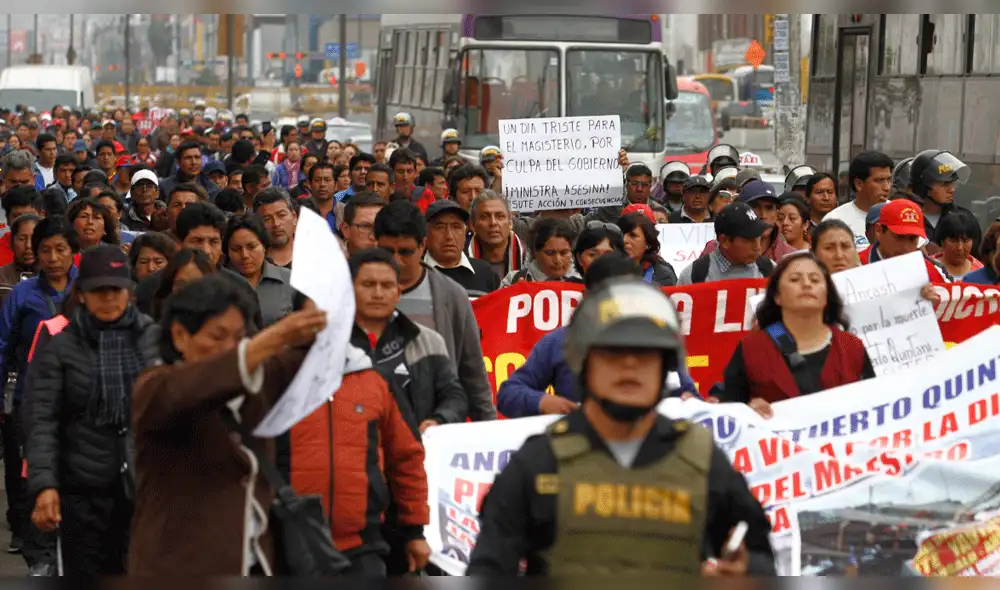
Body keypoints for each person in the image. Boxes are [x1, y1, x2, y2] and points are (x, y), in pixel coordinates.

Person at [468, 278, 775, 576]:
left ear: (664, 367)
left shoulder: (704, 460)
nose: (629, 364)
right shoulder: (538, 463)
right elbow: (489, 566)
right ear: (584, 366)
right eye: (613, 352)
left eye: (644, 354)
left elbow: (761, 555)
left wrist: (745, 574)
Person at [129, 276, 328, 576]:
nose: (229, 347)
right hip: (177, 568)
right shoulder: (156, 389)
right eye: (217, 335)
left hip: (254, 562)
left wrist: (320, 316)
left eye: (238, 337)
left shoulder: (256, 383)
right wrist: (274, 338)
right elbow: (192, 388)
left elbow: (309, 357)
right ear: (180, 335)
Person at [27, 245, 158, 576]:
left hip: (146, 490)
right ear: (82, 295)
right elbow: (42, 420)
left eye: (116, 289)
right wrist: (45, 486)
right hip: (82, 494)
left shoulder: (153, 340)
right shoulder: (62, 348)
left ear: (129, 292)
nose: (109, 298)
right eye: (99, 290)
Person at [498, 251, 697, 418]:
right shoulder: (560, 342)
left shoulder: (658, 341)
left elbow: (689, 394)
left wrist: (694, 404)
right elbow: (509, 394)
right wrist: (543, 402)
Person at [374, 200, 497, 421]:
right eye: (387, 251)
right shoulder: (356, 294)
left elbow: (473, 374)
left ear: (422, 245)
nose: (395, 261)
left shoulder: (451, 296)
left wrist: (488, 434)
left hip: (435, 428)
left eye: (405, 252)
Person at [0, 216, 78, 566]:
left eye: (60, 249)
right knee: (34, 476)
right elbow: (3, 346)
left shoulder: (87, 290)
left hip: (79, 403)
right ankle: (39, 559)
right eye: (45, 249)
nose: (52, 257)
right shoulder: (22, 294)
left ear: (73, 253)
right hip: (30, 401)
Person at [715, 252, 875, 415]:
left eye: (815, 280)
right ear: (777, 296)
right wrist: (746, 411)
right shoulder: (752, 349)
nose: (806, 284)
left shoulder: (852, 347)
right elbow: (728, 413)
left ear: (827, 295)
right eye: (795, 279)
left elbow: (876, 409)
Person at [223, 214, 294, 328]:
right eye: (236, 249)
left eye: (252, 247)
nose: (244, 255)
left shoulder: (289, 281)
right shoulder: (216, 284)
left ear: (264, 246)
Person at [678, 203, 774, 285]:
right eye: (748, 239)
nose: (757, 246)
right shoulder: (694, 276)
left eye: (758, 237)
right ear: (725, 241)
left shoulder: (771, 269)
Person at [859, 198, 950, 283]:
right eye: (899, 237)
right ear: (879, 231)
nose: (906, 247)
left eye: (912, 238)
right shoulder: (855, 266)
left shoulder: (928, 271)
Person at [423, 200, 500, 295]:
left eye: (456, 227)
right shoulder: (412, 273)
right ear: (425, 233)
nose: (449, 236)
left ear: (465, 232)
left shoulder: (485, 273)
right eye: (440, 227)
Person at [908, 149, 978, 253]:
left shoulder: (965, 218)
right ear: (924, 187)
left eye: (953, 183)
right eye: (944, 184)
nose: (952, 189)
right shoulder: (907, 218)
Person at [823, 151, 894, 250]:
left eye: (889, 180)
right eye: (879, 180)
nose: (887, 187)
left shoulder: (901, 214)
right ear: (859, 184)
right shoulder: (834, 220)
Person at [500, 218, 579, 287]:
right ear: (535, 252)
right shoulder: (513, 281)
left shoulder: (586, 282)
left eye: (564, 253)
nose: (557, 260)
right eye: (550, 253)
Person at [466, 190, 526, 282]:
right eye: (485, 216)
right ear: (473, 225)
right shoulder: (460, 262)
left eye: (500, 216)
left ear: (510, 223)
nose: (493, 223)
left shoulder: (531, 261)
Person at [617, 209, 678, 287]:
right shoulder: (605, 271)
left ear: (648, 244)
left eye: (633, 236)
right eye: (621, 234)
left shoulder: (663, 276)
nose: (624, 240)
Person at [252, 187, 297, 269]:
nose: (276, 224)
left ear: (294, 217)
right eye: (267, 219)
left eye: (281, 215)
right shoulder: (252, 262)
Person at [931, 211, 984, 280]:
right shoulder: (926, 268)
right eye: (954, 241)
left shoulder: (981, 273)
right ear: (942, 242)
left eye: (965, 241)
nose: (959, 247)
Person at [0, 214, 40, 302]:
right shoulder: (2, 276)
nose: (28, 245)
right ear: (12, 243)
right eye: (22, 239)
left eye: (34, 238)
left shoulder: (55, 275)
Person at [339, 191, 385, 257]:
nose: (374, 236)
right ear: (345, 229)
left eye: (380, 226)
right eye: (365, 226)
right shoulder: (328, 263)